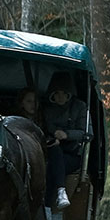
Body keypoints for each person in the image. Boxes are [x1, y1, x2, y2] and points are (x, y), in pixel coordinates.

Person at [42, 71, 92, 210]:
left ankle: (47, 206)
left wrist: (67, 135)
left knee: (55, 166)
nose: (60, 97)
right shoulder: (47, 110)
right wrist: (52, 139)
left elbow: (87, 134)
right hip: (52, 151)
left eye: (64, 93)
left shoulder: (79, 107)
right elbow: (43, 130)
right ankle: (60, 192)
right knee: (54, 159)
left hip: (73, 155)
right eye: (57, 94)